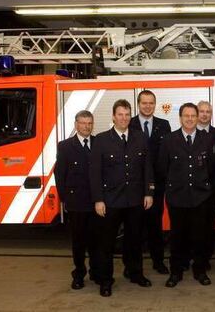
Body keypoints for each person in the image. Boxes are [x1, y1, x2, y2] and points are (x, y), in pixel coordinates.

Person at [90, 99, 154, 297]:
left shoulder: (140, 137)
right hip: (110, 200)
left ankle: (135, 273)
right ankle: (105, 279)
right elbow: (95, 173)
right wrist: (98, 199)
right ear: (113, 116)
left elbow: (147, 167)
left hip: (135, 199)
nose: (124, 118)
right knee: (106, 243)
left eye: (127, 115)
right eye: (120, 114)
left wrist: (149, 192)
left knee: (134, 241)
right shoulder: (101, 140)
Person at [159, 103, 215, 287]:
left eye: (193, 115)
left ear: (198, 117)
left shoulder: (207, 139)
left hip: (200, 198)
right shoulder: (169, 139)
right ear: (180, 117)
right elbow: (162, 167)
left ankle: (199, 271)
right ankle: (176, 272)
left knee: (200, 237)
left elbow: (211, 167)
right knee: (177, 237)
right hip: (177, 198)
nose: (190, 119)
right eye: (186, 115)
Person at [128, 90, 171, 275]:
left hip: (157, 185)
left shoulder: (164, 125)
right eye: (144, 103)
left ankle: (158, 261)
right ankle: (133, 266)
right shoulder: (129, 124)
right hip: (134, 185)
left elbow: (167, 155)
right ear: (138, 104)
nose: (147, 106)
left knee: (155, 226)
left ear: (155, 104)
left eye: (151, 103)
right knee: (134, 228)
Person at [54, 110, 97, 290]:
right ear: (76, 124)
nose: (86, 127)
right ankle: (79, 274)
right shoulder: (65, 146)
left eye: (89, 123)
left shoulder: (99, 142)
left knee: (97, 241)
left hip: (97, 202)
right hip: (76, 203)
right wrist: (65, 200)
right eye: (83, 123)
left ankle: (96, 272)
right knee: (78, 242)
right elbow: (60, 175)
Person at [196, 100, 215, 270]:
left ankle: (205, 259)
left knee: (208, 226)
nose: (205, 114)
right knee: (192, 226)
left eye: (208, 111)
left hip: (211, 191)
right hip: (191, 190)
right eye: (201, 111)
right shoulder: (188, 134)